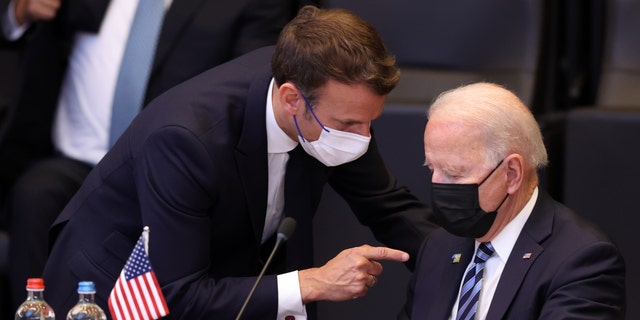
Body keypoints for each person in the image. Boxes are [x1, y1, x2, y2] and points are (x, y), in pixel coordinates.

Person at [41, 5, 436, 319]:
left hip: (220, 272)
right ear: (291, 99)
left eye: (370, 122)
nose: (362, 138)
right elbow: (176, 294)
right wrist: (311, 283)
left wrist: (463, 261)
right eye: (349, 124)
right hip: (116, 287)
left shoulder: (334, 102)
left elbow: (387, 205)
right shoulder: (185, 140)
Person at [0, 0, 300, 310]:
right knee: (34, 196)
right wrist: (17, 12)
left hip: (172, 166)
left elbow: (257, 89)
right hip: (72, 157)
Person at [399, 82, 626, 319]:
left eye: (454, 173)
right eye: (431, 169)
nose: (437, 185)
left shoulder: (581, 261)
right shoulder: (439, 247)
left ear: (512, 174)